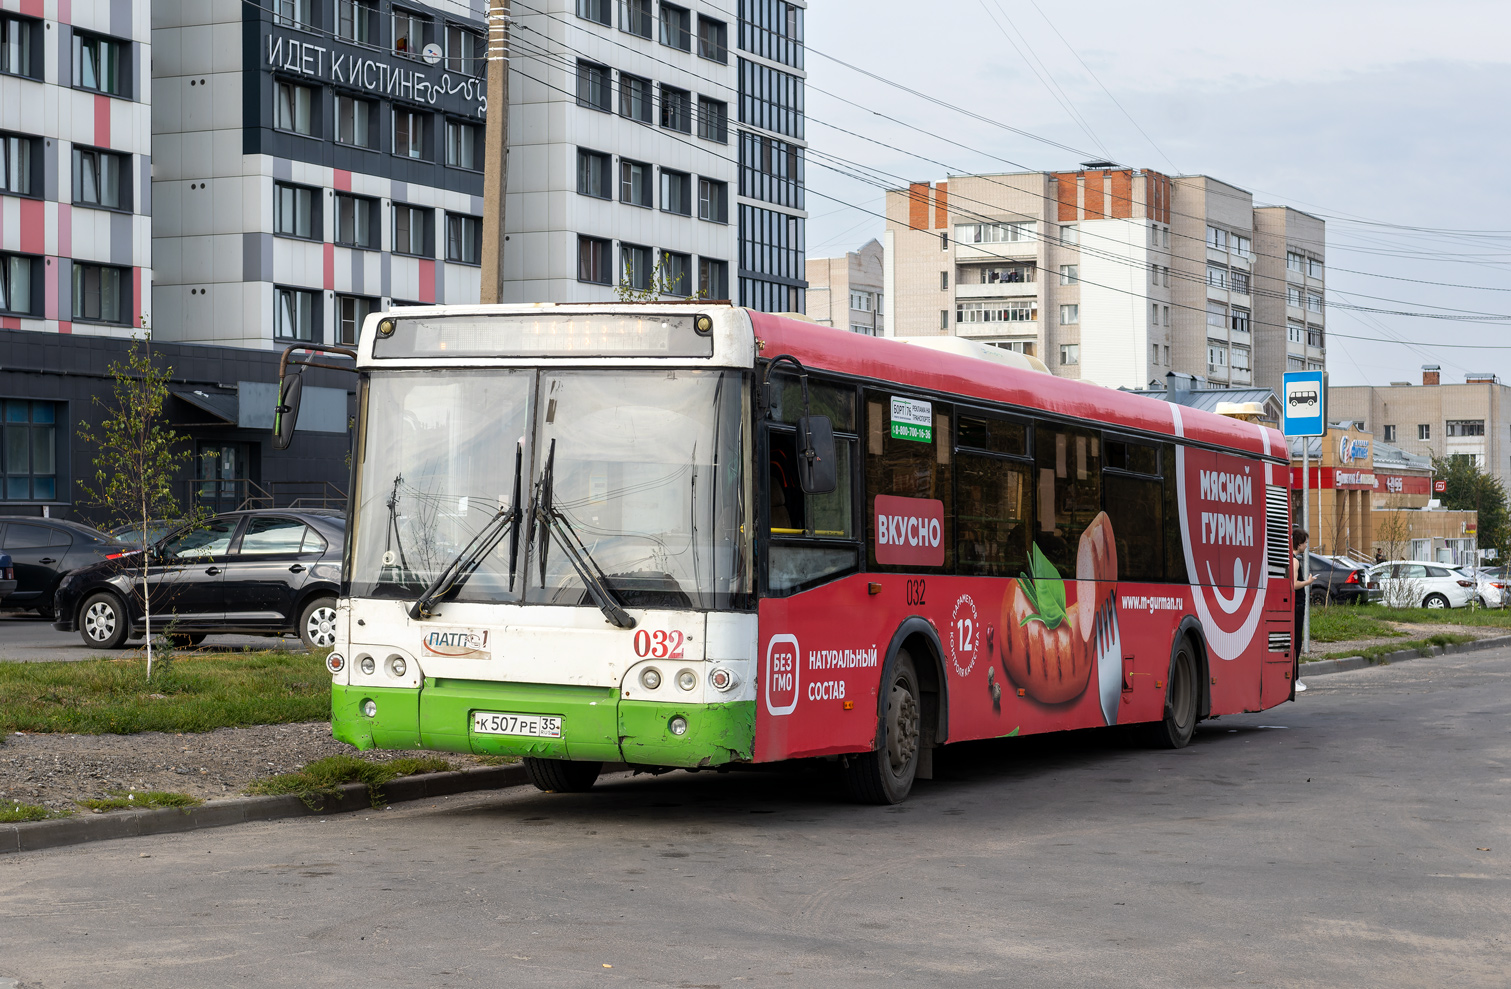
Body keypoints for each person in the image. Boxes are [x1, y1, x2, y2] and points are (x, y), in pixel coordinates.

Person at [1292, 527, 1317, 693]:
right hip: (1297, 606)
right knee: (1296, 643)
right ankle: (1294, 679)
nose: (1307, 545)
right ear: (1299, 543)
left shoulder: (1292, 559)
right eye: (1305, 542)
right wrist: (1307, 582)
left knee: (1296, 643)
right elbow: (1293, 585)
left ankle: (1296, 678)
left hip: (1297, 606)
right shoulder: (1294, 561)